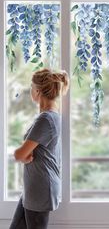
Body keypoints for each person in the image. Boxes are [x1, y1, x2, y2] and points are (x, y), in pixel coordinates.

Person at [9, 68, 69, 229]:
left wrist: (23, 155)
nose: (30, 90)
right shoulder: (50, 116)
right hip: (34, 188)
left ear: (37, 90)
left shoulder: (46, 119)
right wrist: (25, 155)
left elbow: (20, 154)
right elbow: (26, 153)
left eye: (31, 86)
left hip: (39, 190)